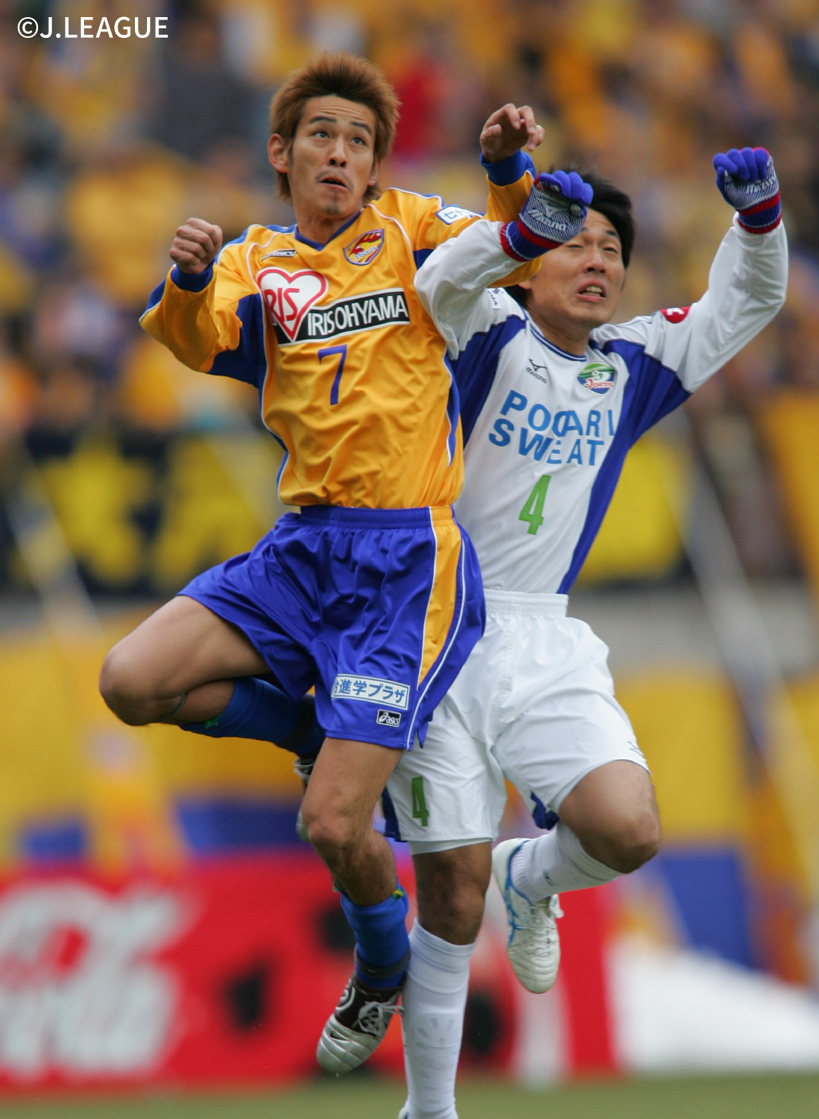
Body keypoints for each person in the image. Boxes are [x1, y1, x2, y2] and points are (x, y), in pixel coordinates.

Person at [321, 147, 787, 1119]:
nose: (599, 261)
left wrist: (759, 219)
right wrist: (521, 221)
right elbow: (438, 281)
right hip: (438, 626)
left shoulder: (635, 364)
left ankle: (535, 877)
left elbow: (747, 301)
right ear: (530, 266)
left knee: (628, 828)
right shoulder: (484, 331)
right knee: (451, 895)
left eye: (613, 248)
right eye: (577, 243)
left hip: (544, 639)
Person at [98, 54, 550, 1045]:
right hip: (301, 548)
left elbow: (515, 251)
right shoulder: (255, 258)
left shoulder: (413, 226)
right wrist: (187, 276)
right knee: (130, 681)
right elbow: (195, 338)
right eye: (322, 136)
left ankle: (381, 960)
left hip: (405, 561)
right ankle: (310, 731)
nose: (341, 154)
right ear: (282, 152)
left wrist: (508, 170)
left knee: (335, 824)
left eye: (358, 141)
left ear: (376, 164)